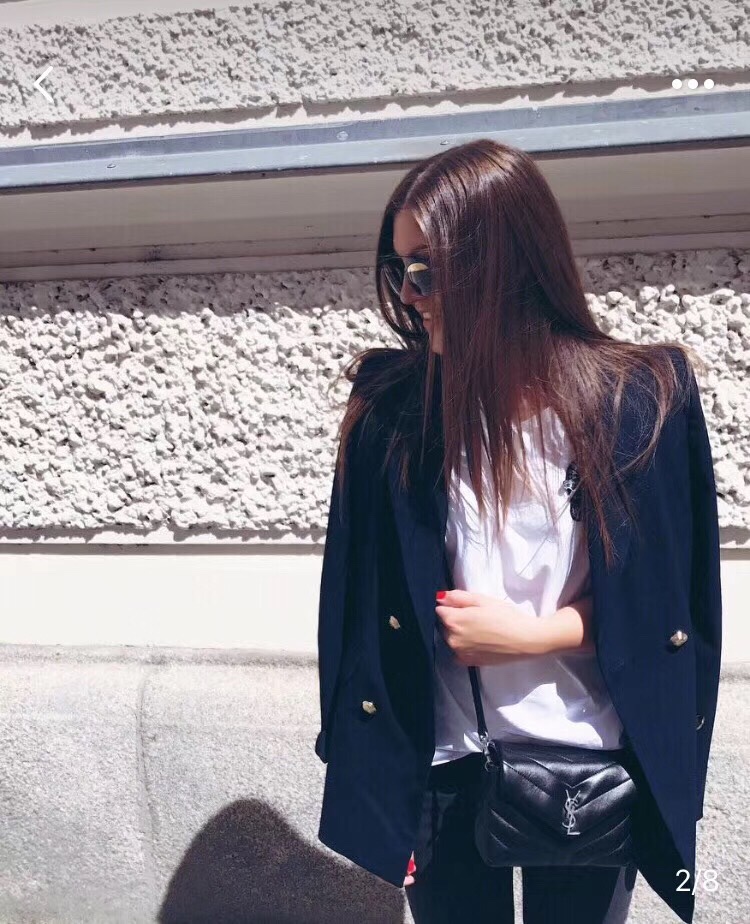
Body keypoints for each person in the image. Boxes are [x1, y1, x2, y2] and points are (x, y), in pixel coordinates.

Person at [315, 139, 722, 924]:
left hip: (588, 757)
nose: (410, 295)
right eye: (400, 270)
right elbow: (353, 600)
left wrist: (535, 635)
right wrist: (365, 766)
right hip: (442, 765)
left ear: (501, 261)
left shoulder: (639, 401)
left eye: (428, 269)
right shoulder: (394, 410)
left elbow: (673, 608)